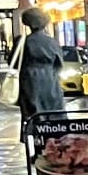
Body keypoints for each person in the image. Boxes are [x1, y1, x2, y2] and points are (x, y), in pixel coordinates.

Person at [15, 8, 65, 142]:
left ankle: (34, 141)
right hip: (50, 81)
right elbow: (59, 63)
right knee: (54, 113)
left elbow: (14, 63)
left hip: (29, 81)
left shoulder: (23, 42)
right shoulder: (52, 42)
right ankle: (54, 140)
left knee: (33, 114)